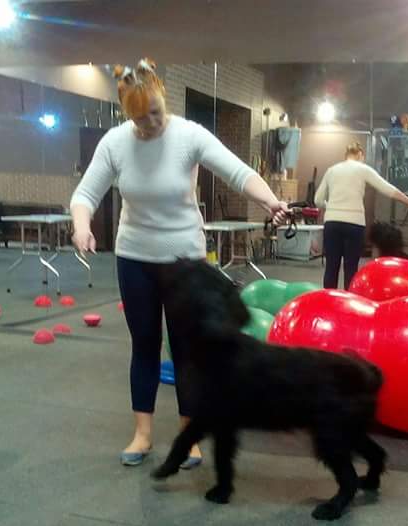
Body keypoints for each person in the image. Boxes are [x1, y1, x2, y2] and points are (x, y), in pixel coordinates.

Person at [70, 58, 289, 468]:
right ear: (126, 113)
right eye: (140, 118)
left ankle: (190, 437)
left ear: (163, 98)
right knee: (144, 345)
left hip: (185, 262)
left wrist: (270, 201)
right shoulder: (115, 143)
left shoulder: (189, 135)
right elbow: (85, 194)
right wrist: (81, 227)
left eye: (155, 112)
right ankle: (142, 434)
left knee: (187, 350)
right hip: (134, 258)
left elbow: (239, 173)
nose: (150, 123)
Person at [314, 142, 408, 290]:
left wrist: (330, 206)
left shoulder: (331, 170)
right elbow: (386, 188)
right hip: (354, 224)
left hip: (332, 223)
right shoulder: (363, 169)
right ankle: (349, 300)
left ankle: (328, 300)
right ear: (360, 155)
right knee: (351, 268)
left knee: (331, 266)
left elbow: (317, 200)